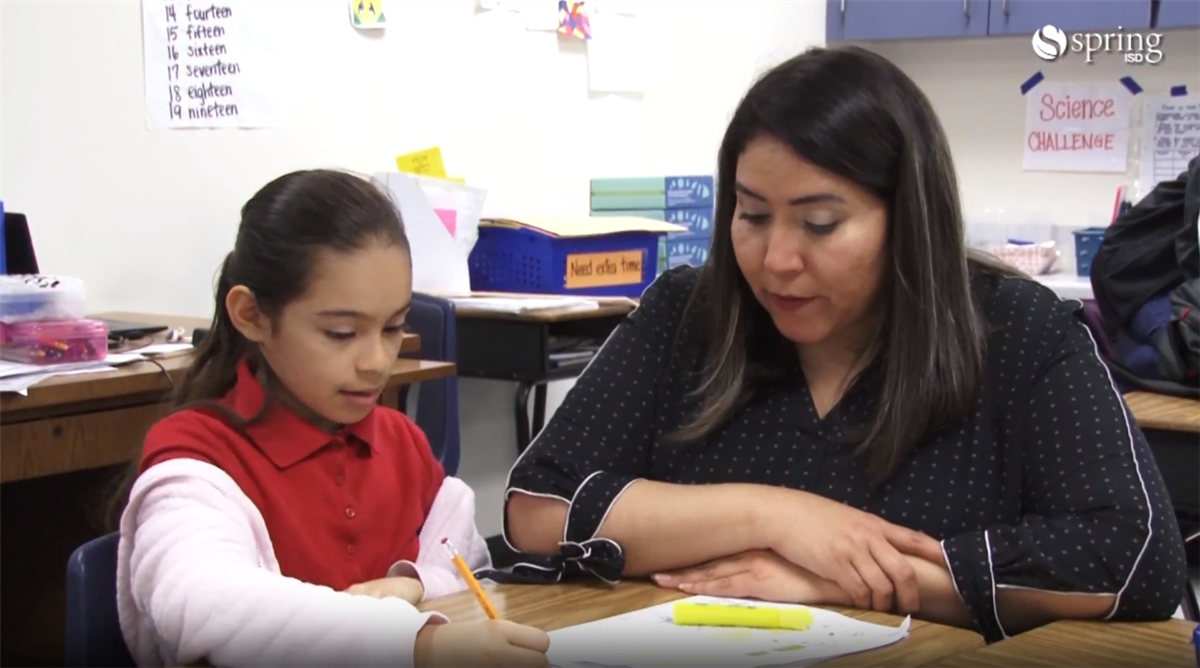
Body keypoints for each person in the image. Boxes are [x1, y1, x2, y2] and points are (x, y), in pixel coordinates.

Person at [498, 47, 1188, 642]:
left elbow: (1131, 560)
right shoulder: (689, 312)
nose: (776, 260)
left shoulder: (1016, 332)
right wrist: (779, 517)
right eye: (752, 215)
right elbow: (537, 508)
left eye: (820, 223)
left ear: (908, 218)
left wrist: (841, 581)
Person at [116, 170, 550, 668]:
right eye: (342, 333)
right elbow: (200, 603)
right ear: (252, 315)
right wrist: (415, 644)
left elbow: (469, 571)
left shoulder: (401, 443)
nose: (376, 362)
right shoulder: (199, 457)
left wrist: (413, 584)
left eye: (393, 327)